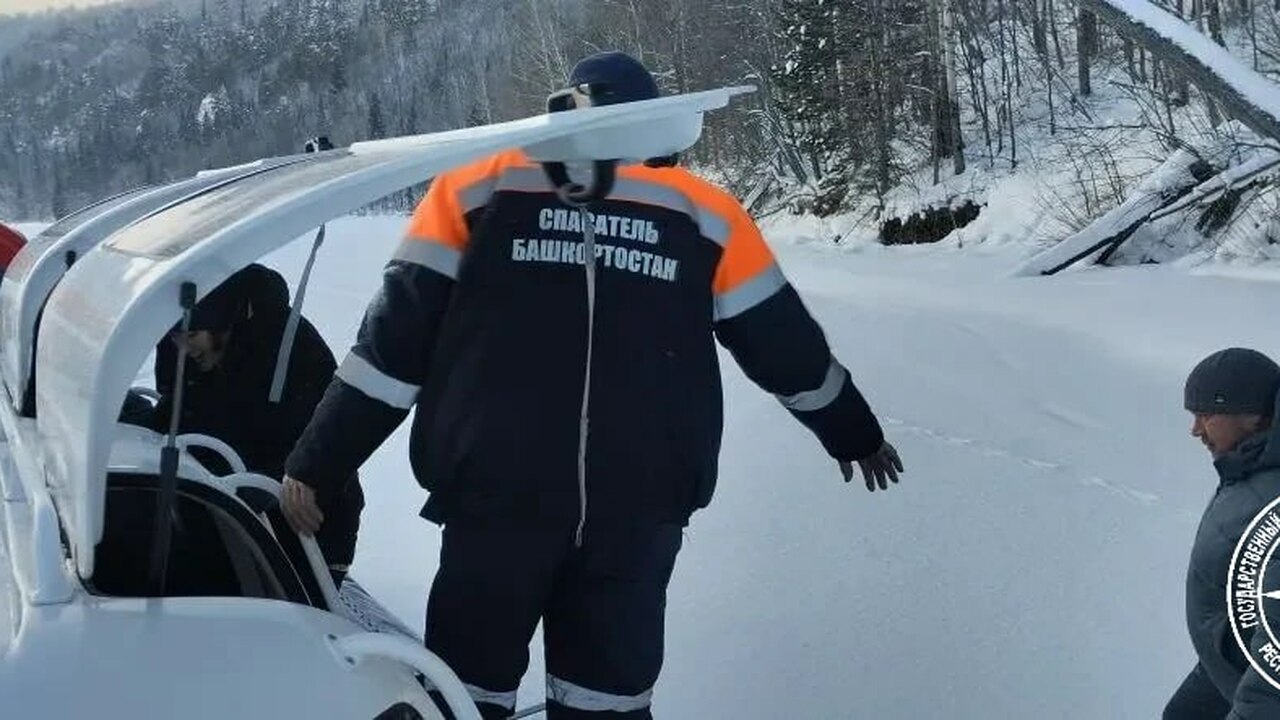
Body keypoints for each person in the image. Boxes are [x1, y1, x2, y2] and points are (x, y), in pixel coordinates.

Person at [280, 50, 902, 719]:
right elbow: (787, 348)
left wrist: (319, 463)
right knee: (597, 704)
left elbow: (388, 354)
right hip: (627, 510)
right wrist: (852, 431)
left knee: (465, 701)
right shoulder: (702, 214)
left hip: (503, 505)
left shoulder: (474, 192)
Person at [142, 263, 364, 584]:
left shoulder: (295, 351)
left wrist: (271, 481)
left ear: (223, 323)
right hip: (227, 515)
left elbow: (330, 440)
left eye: (191, 335)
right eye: (175, 338)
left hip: (307, 524)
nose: (183, 347)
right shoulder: (193, 357)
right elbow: (180, 414)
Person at [1166, 347, 1280, 719]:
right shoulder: (1252, 468)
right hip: (1228, 668)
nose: (1195, 430)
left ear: (1251, 417)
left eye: (1206, 415)